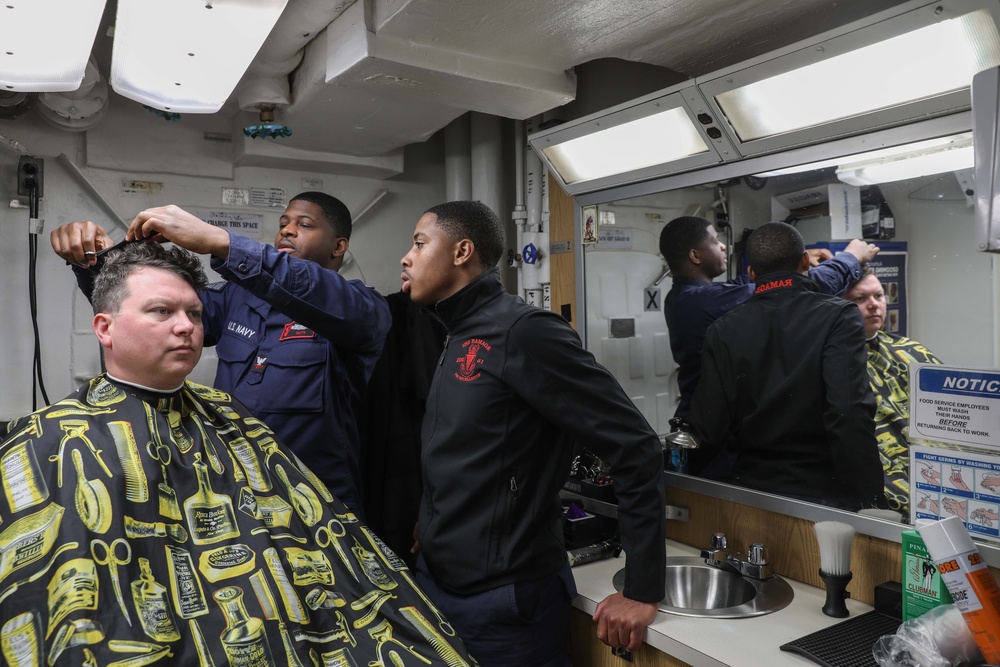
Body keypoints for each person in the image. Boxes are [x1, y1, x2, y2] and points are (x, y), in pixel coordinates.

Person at [0, 242, 475, 666]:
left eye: (194, 314)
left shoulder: (228, 414)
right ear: (104, 328)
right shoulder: (49, 439)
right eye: (162, 312)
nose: (186, 327)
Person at [399, 200, 665, 664]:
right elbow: (464, 450)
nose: (407, 256)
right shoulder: (456, 330)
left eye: (420, 243)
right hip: (439, 585)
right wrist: (437, 524)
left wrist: (641, 588)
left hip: (505, 601)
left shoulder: (525, 332)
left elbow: (635, 446)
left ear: (461, 251)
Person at [50, 193, 391, 516]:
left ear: (338, 246)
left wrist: (220, 242)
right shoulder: (236, 299)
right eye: (284, 222)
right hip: (236, 492)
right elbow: (159, 308)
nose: (287, 229)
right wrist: (95, 261)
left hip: (315, 498)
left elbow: (316, 292)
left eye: (305, 224)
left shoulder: (361, 309)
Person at [689, 222, 886, 511]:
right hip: (822, 490)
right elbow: (849, 412)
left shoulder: (722, 330)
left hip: (750, 489)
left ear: (752, 274)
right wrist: (871, 501)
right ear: (805, 261)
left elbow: (710, 427)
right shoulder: (838, 316)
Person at [658, 216, 879, 432]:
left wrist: (784, 260)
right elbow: (785, 288)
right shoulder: (701, 301)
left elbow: (744, 285)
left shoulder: (684, 297)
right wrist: (850, 257)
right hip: (712, 430)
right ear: (695, 255)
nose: (723, 246)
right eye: (715, 241)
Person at [843, 267, 943, 515]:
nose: (874, 305)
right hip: (884, 475)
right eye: (860, 299)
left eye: (879, 296)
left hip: (934, 462)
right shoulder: (834, 360)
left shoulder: (912, 351)